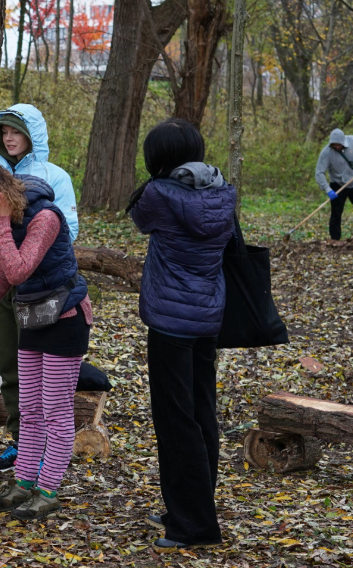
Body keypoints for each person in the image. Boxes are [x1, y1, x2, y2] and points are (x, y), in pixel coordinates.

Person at [0, 163, 92, 521]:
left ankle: (47, 490)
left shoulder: (45, 217)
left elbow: (18, 270)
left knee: (55, 413)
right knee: (28, 409)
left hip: (65, 319)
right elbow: (3, 271)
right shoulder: (9, 219)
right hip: (31, 317)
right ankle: (23, 482)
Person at [126, 118, 236, 552]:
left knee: (176, 422)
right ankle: (190, 509)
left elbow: (139, 220)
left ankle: (194, 527)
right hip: (208, 316)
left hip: (172, 321)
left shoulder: (157, 194)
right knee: (201, 414)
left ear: (160, 158)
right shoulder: (223, 191)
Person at [0, 104, 80, 473]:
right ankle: (21, 444)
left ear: (33, 135)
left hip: (43, 289)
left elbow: (67, 227)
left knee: (45, 378)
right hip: (0, 281)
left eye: (16, 132)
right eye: (3, 132)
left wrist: (22, 240)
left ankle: (49, 455)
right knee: (9, 364)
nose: (9, 138)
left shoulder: (54, 176)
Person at [315, 128, 353, 241]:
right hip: (337, 185)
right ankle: (335, 239)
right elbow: (319, 173)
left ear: (343, 141)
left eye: (339, 145)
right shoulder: (326, 153)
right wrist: (328, 190)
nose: (336, 147)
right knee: (336, 213)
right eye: (334, 145)